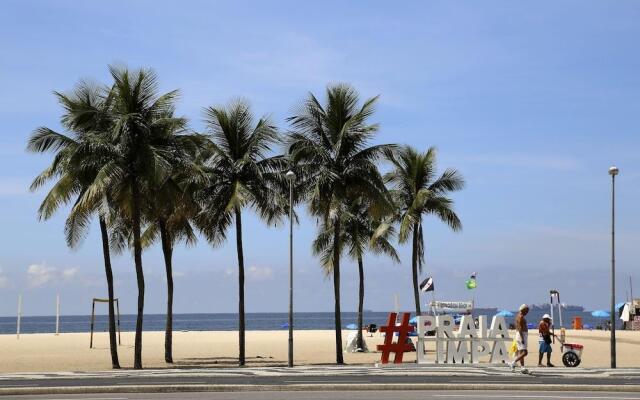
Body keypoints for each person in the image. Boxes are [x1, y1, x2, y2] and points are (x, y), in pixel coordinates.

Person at [509, 304, 530, 374]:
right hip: (522, 335)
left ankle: (522, 368)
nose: (527, 312)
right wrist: (522, 338)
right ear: (523, 310)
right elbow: (520, 328)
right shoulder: (521, 317)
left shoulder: (518, 316)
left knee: (521, 352)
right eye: (527, 310)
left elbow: (516, 326)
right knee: (525, 352)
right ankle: (513, 363)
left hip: (520, 334)